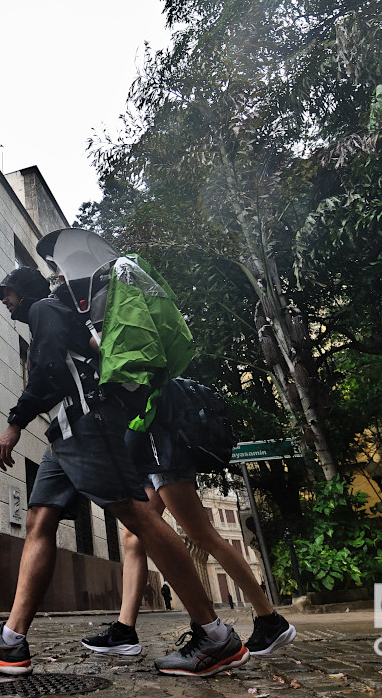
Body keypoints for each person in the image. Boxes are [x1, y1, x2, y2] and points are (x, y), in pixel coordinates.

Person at [0, 236, 247, 678]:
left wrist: (15, 421)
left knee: (139, 517)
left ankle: (214, 634)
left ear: (26, 291)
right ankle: (11, 642)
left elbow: (51, 368)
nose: (6, 302)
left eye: (7, 293)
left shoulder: (44, 310)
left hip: (85, 421)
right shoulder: (57, 316)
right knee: (39, 519)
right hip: (63, 429)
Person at [86, 244, 295, 659]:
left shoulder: (138, 324)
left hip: (161, 443)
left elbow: (135, 374)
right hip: (147, 445)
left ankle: (270, 620)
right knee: (133, 535)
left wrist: (97, 346)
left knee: (201, 534)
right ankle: (126, 630)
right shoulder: (133, 318)